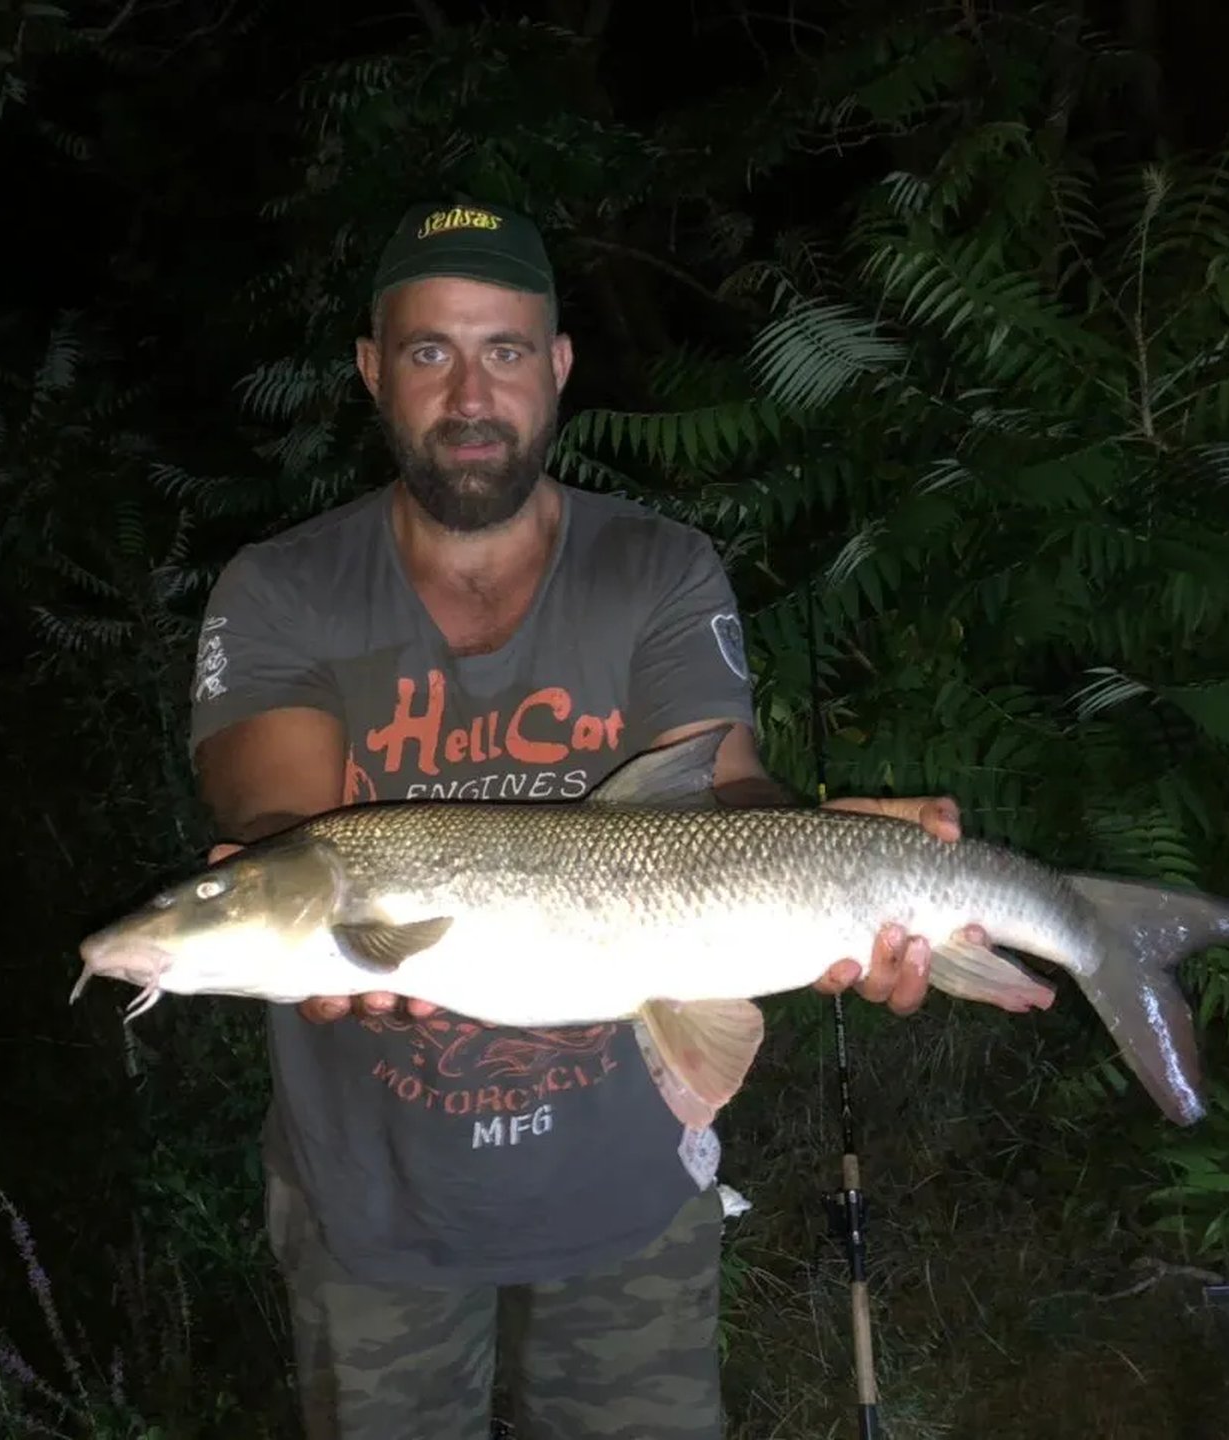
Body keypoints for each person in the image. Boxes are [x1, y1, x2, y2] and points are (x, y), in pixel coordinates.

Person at [187, 200, 982, 1440]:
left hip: (630, 1198)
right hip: (374, 1205)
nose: (468, 393)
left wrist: (835, 852)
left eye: (505, 350)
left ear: (558, 369)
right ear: (371, 371)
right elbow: (278, 815)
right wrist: (294, 912)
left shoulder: (658, 569)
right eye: (428, 351)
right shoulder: (280, 587)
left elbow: (726, 796)